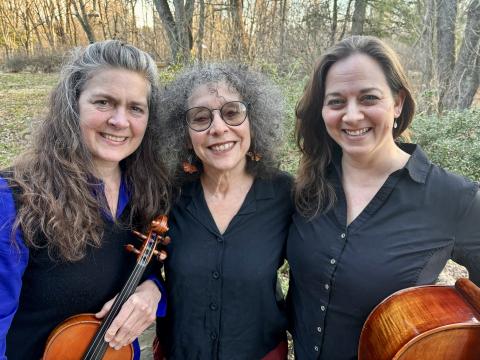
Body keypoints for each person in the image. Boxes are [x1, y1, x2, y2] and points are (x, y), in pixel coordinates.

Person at [287, 35, 480, 360]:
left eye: (368, 98)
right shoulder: (310, 186)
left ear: (398, 102)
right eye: (336, 101)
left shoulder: (452, 198)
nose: (351, 115)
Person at [0, 40, 171, 359]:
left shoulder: (146, 191)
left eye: (136, 108)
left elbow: (148, 271)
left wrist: (151, 292)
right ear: (73, 104)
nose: (120, 121)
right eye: (104, 102)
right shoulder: (12, 198)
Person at [154, 63, 293, 359]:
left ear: (252, 119)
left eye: (232, 113)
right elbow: (141, 270)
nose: (218, 128)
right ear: (184, 132)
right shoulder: (167, 195)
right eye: (201, 118)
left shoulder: (286, 195)